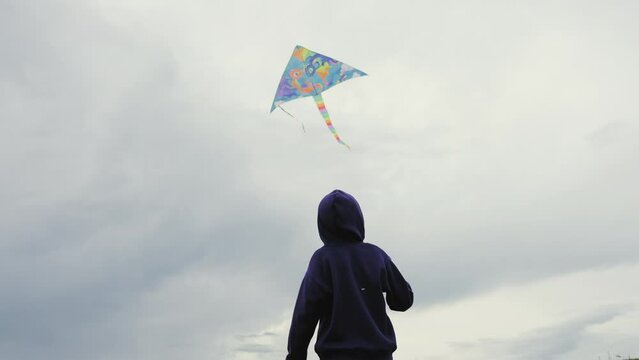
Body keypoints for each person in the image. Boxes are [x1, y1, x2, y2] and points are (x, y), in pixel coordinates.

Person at [286, 189, 414, 360]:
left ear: (322, 225)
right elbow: (403, 301)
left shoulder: (322, 260)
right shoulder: (376, 256)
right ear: (358, 220)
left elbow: (305, 314)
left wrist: (296, 355)